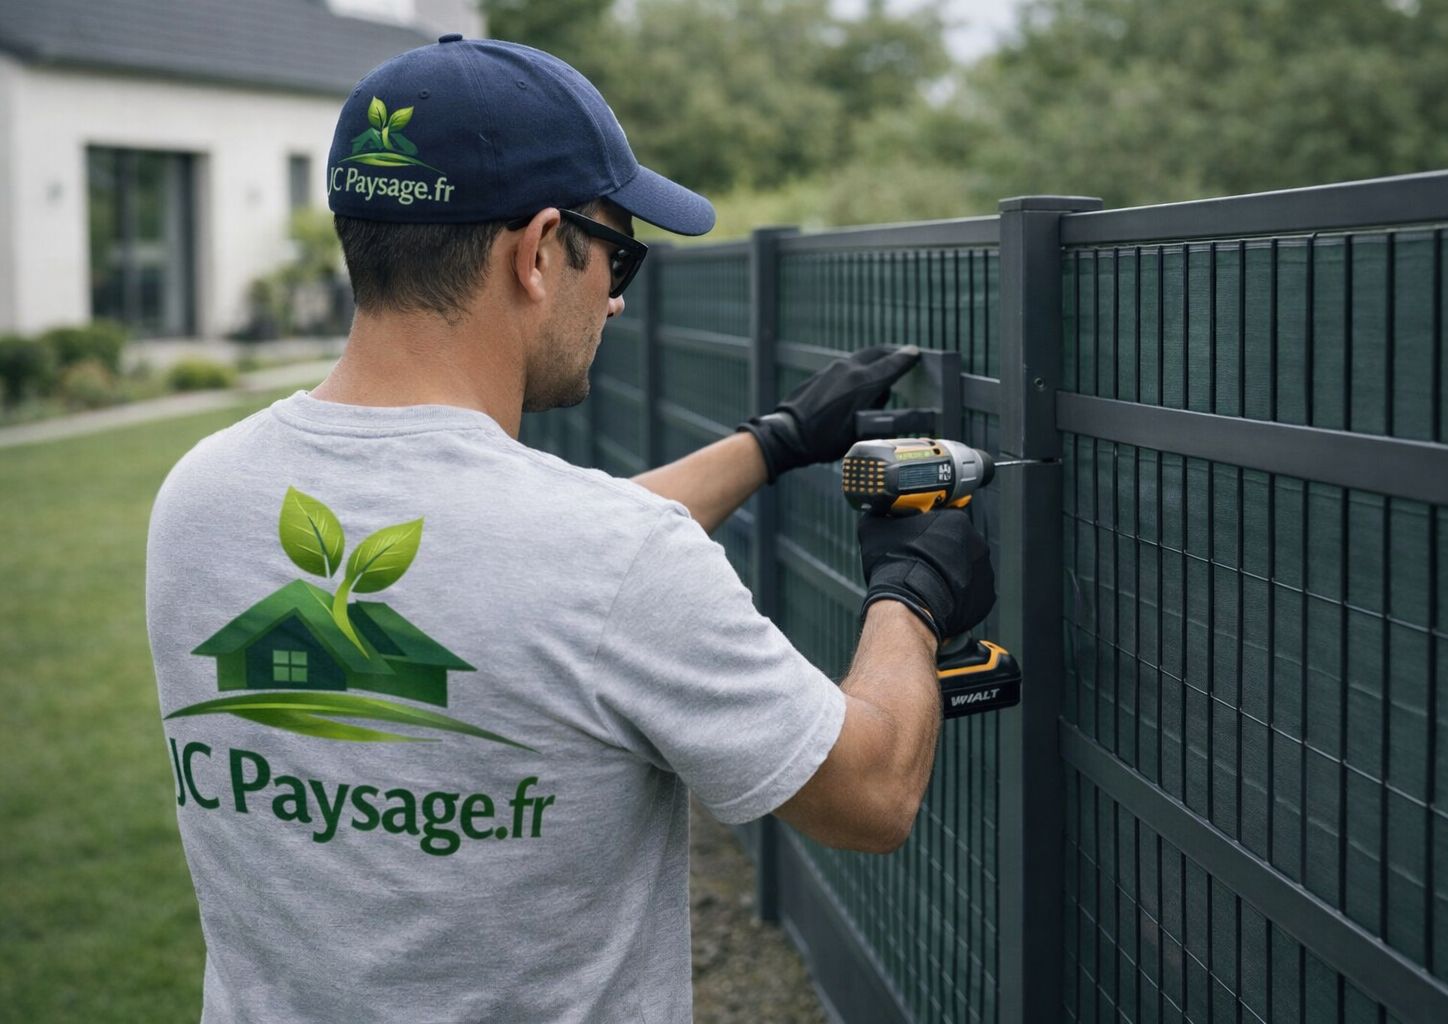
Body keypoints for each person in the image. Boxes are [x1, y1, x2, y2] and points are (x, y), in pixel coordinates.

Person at [146, 35, 995, 1023]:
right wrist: (910, 595)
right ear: (541, 251)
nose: (619, 296)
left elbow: (525, 576)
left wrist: (772, 444)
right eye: (618, 252)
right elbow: (870, 793)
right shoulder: (608, 560)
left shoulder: (201, 495)